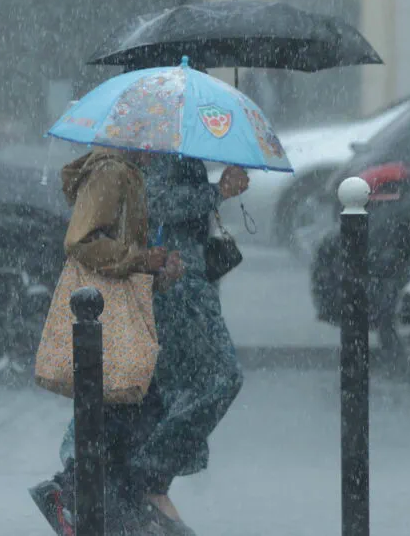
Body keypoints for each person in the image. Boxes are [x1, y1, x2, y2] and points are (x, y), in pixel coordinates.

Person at [48, 153, 250, 535]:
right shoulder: (148, 144)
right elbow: (152, 201)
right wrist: (216, 192)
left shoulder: (165, 141)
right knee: (215, 379)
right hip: (170, 286)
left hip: (170, 280)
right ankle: (134, 485)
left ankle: (103, 491)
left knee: (142, 392)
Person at [30, 146, 185, 535]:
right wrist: (138, 258)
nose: (158, 150)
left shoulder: (127, 171)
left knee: (128, 412)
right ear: (132, 134)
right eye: (152, 140)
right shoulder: (111, 172)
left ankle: (102, 506)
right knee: (131, 409)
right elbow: (80, 241)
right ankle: (72, 494)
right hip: (102, 316)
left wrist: (157, 268)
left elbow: (119, 249)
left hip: (114, 312)